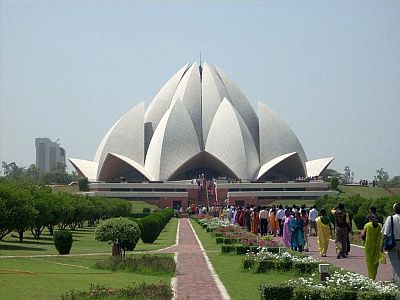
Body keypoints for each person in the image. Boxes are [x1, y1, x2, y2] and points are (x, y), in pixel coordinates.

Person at [382, 203, 400, 286]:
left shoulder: (391, 218)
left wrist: (382, 244)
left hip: (393, 243)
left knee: (395, 264)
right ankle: (396, 279)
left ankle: (398, 283)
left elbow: (385, 233)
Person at [360, 214, 383, 280]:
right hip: (377, 247)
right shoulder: (380, 225)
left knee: (369, 263)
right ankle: (373, 276)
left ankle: (371, 278)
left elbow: (362, 236)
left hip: (369, 247)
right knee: (376, 263)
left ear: (369, 219)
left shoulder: (367, 225)